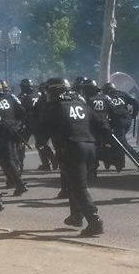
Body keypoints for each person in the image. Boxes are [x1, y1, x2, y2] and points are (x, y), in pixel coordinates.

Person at [39, 78, 105, 237]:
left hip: (72, 149)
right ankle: (76, 216)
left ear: (54, 91)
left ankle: (94, 221)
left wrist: (46, 150)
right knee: (73, 183)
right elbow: (100, 124)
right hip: (90, 147)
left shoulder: (54, 107)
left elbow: (42, 132)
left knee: (78, 187)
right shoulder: (81, 103)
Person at [0, 80, 26, 196]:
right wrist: (16, 124)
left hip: (0, 133)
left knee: (7, 159)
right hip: (14, 130)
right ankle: (13, 181)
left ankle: (19, 184)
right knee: (8, 158)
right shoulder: (10, 97)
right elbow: (22, 111)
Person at [102, 82, 139, 168]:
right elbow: (135, 101)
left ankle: (136, 155)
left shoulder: (106, 97)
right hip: (127, 119)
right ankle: (119, 160)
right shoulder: (122, 94)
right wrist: (134, 114)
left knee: (120, 142)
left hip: (118, 121)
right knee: (117, 140)